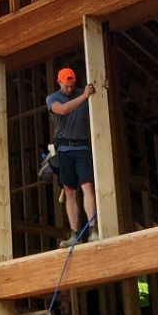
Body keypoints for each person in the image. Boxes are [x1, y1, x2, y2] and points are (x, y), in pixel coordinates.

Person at [45, 65, 96, 243]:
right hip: (64, 148)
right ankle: (75, 234)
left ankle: (93, 229)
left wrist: (100, 86)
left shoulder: (82, 92)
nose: (69, 89)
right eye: (66, 86)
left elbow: (99, 88)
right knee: (69, 191)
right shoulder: (53, 98)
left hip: (81, 147)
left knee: (87, 186)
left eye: (72, 86)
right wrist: (84, 96)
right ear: (59, 82)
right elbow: (63, 110)